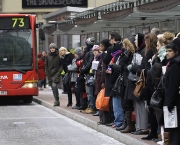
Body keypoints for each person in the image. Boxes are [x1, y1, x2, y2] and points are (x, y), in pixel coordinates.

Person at [164, 38, 180, 145]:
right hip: (173, 100)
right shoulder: (172, 63)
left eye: (170, 51)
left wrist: (169, 103)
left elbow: (173, 86)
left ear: (176, 52)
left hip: (175, 102)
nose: (167, 53)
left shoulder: (175, 65)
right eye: (167, 51)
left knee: (175, 129)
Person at [95, 39, 111, 124]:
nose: (100, 47)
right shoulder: (102, 55)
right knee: (101, 99)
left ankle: (105, 119)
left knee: (104, 100)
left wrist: (102, 81)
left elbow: (103, 69)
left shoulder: (105, 56)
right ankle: (102, 119)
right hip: (100, 80)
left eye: (101, 46)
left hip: (102, 80)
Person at [80, 37, 96, 114]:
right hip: (88, 73)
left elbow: (89, 63)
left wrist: (83, 70)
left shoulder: (90, 52)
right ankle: (90, 106)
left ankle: (91, 107)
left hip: (89, 74)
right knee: (88, 92)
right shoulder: (88, 52)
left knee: (89, 92)